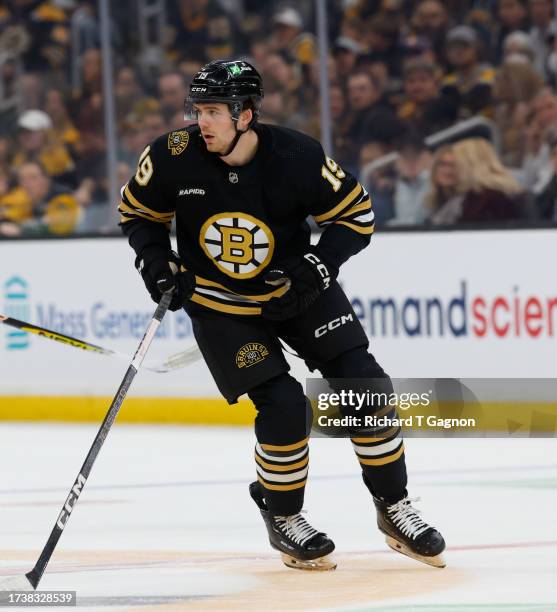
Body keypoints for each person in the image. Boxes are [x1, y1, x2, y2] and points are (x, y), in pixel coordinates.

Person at [118, 59, 445, 571]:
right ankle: (283, 516)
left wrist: (319, 265)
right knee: (286, 407)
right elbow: (137, 213)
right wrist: (157, 262)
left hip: (297, 289)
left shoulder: (297, 154)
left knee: (364, 383)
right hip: (221, 304)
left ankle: (394, 507)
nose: (200, 121)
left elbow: (356, 218)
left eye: (212, 111)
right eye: (197, 109)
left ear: (245, 114)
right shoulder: (171, 155)